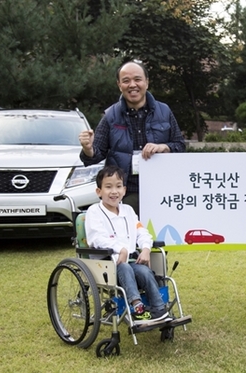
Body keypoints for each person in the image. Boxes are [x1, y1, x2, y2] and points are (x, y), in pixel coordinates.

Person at [79, 61, 186, 215]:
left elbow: (180, 146)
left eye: (137, 79)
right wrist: (88, 149)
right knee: (129, 236)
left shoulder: (164, 111)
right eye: (126, 81)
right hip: (127, 192)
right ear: (119, 85)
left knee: (163, 237)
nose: (132, 85)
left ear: (147, 82)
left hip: (162, 189)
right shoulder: (111, 115)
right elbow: (95, 156)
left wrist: (163, 147)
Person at [85, 165, 170, 325]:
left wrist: (145, 248)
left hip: (131, 262)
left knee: (144, 271)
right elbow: (96, 238)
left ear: (124, 190)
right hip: (106, 265)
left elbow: (141, 232)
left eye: (118, 186)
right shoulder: (93, 212)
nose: (114, 191)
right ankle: (136, 307)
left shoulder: (128, 211)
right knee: (123, 267)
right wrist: (120, 249)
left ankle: (159, 309)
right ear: (99, 191)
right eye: (108, 187)